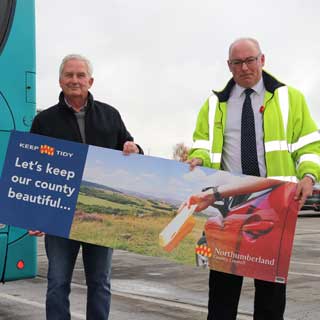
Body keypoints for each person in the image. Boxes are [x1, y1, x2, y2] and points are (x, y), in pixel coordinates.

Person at [187, 38, 320, 320]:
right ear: (229, 66)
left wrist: (309, 176)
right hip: (228, 205)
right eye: (237, 63)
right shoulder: (213, 105)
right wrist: (197, 157)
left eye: (250, 60)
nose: (244, 67)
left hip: (276, 205)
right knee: (222, 292)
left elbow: (309, 145)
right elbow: (201, 142)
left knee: (271, 295)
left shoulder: (290, 98)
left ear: (262, 60)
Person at [29, 54, 143, 320]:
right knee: (57, 283)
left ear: (90, 81)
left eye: (80, 75)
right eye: (69, 75)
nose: (74, 80)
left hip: (100, 216)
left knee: (100, 283)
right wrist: (33, 214)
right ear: (60, 81)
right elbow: (32, 169)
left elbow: (131, 152)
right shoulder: (44, 121)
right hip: (58, 216)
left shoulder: (110, 115)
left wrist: (134, 149)